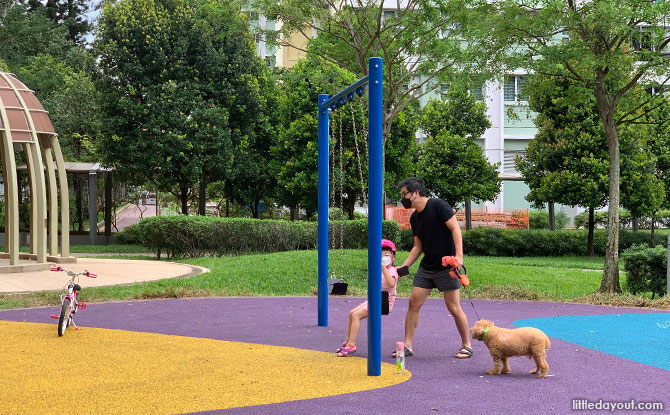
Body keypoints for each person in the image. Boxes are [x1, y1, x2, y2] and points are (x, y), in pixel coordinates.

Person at [393, 177, 473, 359]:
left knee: (453, 307)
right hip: (427, 266)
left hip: (447, 267)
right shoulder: (415, 217)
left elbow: (455, 230)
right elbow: (417, 246)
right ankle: (407, 346)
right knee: (413, 302)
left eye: (404, 194)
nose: (402, 198)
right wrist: (404, 267)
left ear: (415, 193)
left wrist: (459, 257)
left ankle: (466, 345)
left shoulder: (438, 205)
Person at [336, 239, 400, 357]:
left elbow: (391, 283)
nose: (383, 258)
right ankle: (347, 341)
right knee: (352, 313)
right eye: (380, 255)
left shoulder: (391, 270)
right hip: (376, 299)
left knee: (356, 316)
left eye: (387, 255)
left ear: (393, 257)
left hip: (384, 302)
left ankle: (352, 345)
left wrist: (384, 269)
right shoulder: (380, 269)